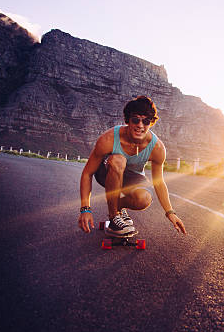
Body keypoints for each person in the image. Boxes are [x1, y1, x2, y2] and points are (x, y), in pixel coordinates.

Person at [78, 95, 186, 236]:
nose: (140, 125)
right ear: (128, 120)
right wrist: (85, 209)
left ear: (151, 123)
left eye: (146, 121)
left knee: (144, 199)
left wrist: (170, 213)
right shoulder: (108, 139)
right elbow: (87, 173)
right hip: (106, 172)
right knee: (119, 160)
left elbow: (159, 183)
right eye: (135, 119)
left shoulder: (157, 147)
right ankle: (114, 218)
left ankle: (118, 204)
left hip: (132, 177)